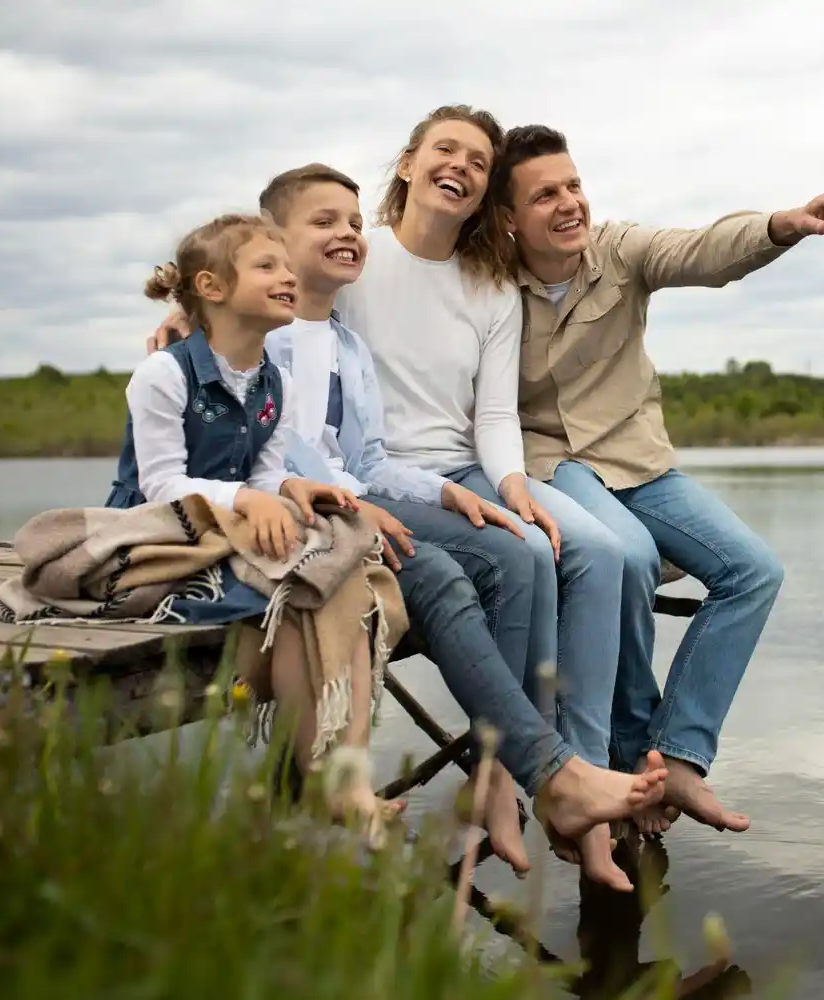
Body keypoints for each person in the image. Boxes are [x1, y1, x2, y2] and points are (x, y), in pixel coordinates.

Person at [148, 162, 667, 891]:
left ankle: (509, 772)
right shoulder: (251, 343)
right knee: (446, 575)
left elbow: (365, 459)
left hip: (339, 507)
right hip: (275, 523)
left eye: (353, 222)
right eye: (324, 223)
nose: (347, 234)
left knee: (515, 549)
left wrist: (448, 493)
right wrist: (191, 320)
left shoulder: (347, 347)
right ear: (272, 244)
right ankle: (542, 773)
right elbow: (260, 459)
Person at [495, 123, 824, 835]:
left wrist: (782, 225)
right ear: (509, 217)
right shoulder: (490, 285)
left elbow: (704, 251)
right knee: (629, 557)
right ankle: (623, 760)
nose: (570, 203)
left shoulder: (619, 250)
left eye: (574, 185)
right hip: (553, 463)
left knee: (753, 571)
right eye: (546, 195)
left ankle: (675, 753)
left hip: (636, 461)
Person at [333, 104, 651, 886]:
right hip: (374, 476)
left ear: (485, 191)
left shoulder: (490, 287)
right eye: (446, 150)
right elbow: (269, 288)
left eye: (478, 162)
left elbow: (496, 415)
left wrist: (513, 485)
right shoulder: (357, 259)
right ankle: (510, 775)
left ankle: (534, 771)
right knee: (518, 554)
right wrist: (186, 314)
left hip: (466, 468)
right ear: (408, 163)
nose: (461, 167)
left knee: (552, 544)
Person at [110, 211, 395, 832]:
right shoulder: (165, 373)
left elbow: (264, 473)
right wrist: (247, 499)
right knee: (293, 595)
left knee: (338, 580)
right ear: (211, 287)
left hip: (234, 532)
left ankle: (345, 775)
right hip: (161, 534)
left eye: (288, 267)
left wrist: (289, 487)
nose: (287, 276)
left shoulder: (275, 382)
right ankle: (320, 776)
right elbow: (160, 483)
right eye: (268, 266)